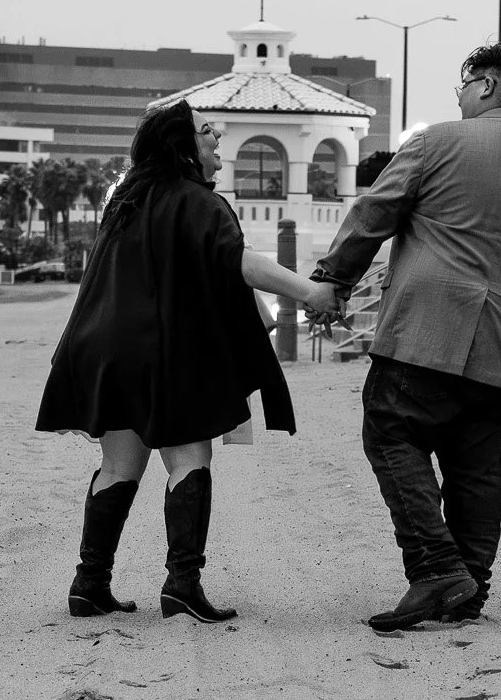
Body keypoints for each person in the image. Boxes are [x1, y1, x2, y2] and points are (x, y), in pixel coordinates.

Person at [311, 41, 501, 632]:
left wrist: (333, 278)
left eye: (463, 87)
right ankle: (471, 585)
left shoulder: (436, 141)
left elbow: (374, 212)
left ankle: (437, 567)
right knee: (477, 464)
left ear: (486, 85)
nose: (460, 98)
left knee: (390, 431)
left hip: (424, 335)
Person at [36, 98, 338, 624]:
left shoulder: (127, 199)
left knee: (118, 464)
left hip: (105, 350)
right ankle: (182, 585)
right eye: (206, 131)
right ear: (183, 145)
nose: (217, 136)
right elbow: (238, 263)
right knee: (189, 461)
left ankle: (89, 584)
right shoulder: (198, 201)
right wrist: (310, 292)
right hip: (166, 353)